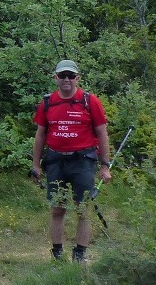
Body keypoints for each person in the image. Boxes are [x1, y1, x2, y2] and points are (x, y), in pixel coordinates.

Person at [30, 59, 112, 263]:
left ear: (77, 78)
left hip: (83, 160)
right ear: (55, 78)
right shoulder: (47, 102)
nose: (66, 79)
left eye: (71, 76)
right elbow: (40, 135)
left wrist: (104, 165)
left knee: (82, 208)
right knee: (57, 208)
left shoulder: (89, 101)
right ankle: (57, 254)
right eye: (62, 75)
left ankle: (80, 254)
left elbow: (102, 133)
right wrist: (36, 165)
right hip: (56, 160)